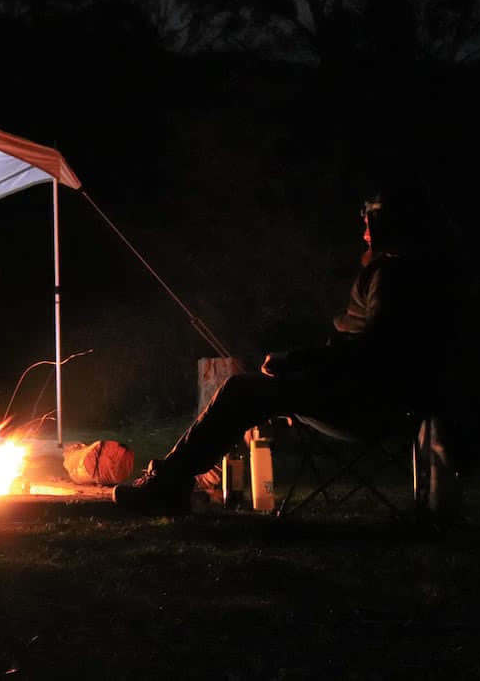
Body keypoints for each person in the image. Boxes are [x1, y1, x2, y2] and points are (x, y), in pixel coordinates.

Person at [112, 185, 458, 518]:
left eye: (369, 223)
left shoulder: (394, 275)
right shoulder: (424, 273)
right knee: (253, 391)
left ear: (387, 224)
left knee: (240, 390)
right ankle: (172, 482)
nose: (364, 232)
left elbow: (373, 350)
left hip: (363, 404)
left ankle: (167, 486)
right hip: (371, 398)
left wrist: (297, 363)